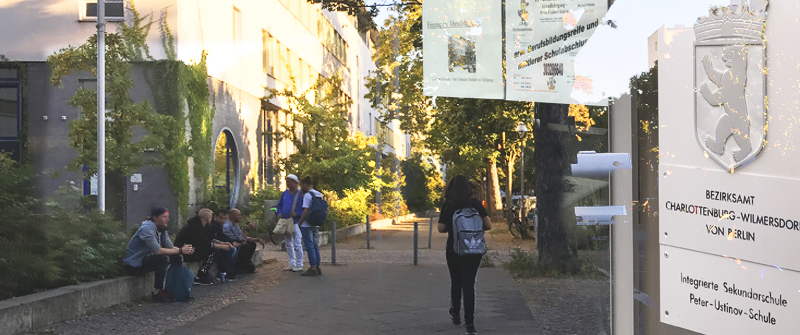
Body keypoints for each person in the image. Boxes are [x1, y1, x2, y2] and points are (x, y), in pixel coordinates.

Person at [438, 175, 492, 335]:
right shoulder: (475, 204)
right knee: (469, 284)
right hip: (474, 248)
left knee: (456, 280)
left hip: (454, 249)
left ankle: (455, 312)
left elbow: (441, 228)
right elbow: (488, 225)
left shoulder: (449, 205)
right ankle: (470, 324)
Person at [124, 207, 194, 302]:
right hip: (135, 264)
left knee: (176, 257)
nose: (168, 219)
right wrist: (181, 250)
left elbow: (170, 247)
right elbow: (158, 251)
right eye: (164, 217)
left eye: (167, 217)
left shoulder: (161, 229)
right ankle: (157, 292)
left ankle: (173, 287)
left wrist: (185, 250)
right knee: (163, 259)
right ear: (155, 218)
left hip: (147, 259)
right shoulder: (147, 229)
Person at [174, 209, 235, 285]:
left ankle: (219, 272)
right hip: (184, 252)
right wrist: (221, 247)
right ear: (206, 218)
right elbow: (205, 243)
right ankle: (202, 274)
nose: (212, 220)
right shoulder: (195, 228)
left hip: (192, 249)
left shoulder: (200, 226)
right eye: (210, 218)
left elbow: (208, 239)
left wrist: (222, 243)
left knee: (214, 250)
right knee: (212, 251)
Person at [224, 208, 265, 276]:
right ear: (232, 216)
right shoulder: (226, 226)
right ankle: (240, 266)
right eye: (239, 215)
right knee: (244, 246)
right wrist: (247, 230)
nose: (241, 217)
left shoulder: (235, 225)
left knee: (252, 244)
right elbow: (240, 239)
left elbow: (243, 237)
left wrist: (257, 239)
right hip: (230, 243)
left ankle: (244, 265)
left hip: (236, 242)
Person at [276, 174, 305, 272]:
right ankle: (292, 263)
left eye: (290, 181)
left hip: (296, 222)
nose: (288, 183)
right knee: (288, 243)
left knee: (297, 243)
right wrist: (280, 213)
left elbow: (305, 209)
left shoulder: (301, 194)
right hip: (286, 221)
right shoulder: (285, 193)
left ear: (296, 182)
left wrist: (297, 214)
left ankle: (300, 264)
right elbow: (279, 205)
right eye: (287, 181)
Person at [296, 176, 322, 277]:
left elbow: (305, 210)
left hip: (307, 224)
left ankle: (312, 267)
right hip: (316, 223)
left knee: (309, 246)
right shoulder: (319, 194)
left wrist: (300, 222)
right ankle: (317, 266)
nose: (301, 187)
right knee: (315, 245)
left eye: (302, 185)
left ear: (306, 184)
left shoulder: (308, 195)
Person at [207, 209, 240, 281]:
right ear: (215, 217)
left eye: (225, 218)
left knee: (235, 248)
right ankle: (226, 271)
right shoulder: (214, 226)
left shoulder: (220, 226)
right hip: (213, 246)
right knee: (232, 249)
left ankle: (230, 271)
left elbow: (223, 237)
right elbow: (214, 238)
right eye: (221, 218)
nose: (223, 220)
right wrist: (225, 244)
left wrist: (232, 242)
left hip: (218, 244)